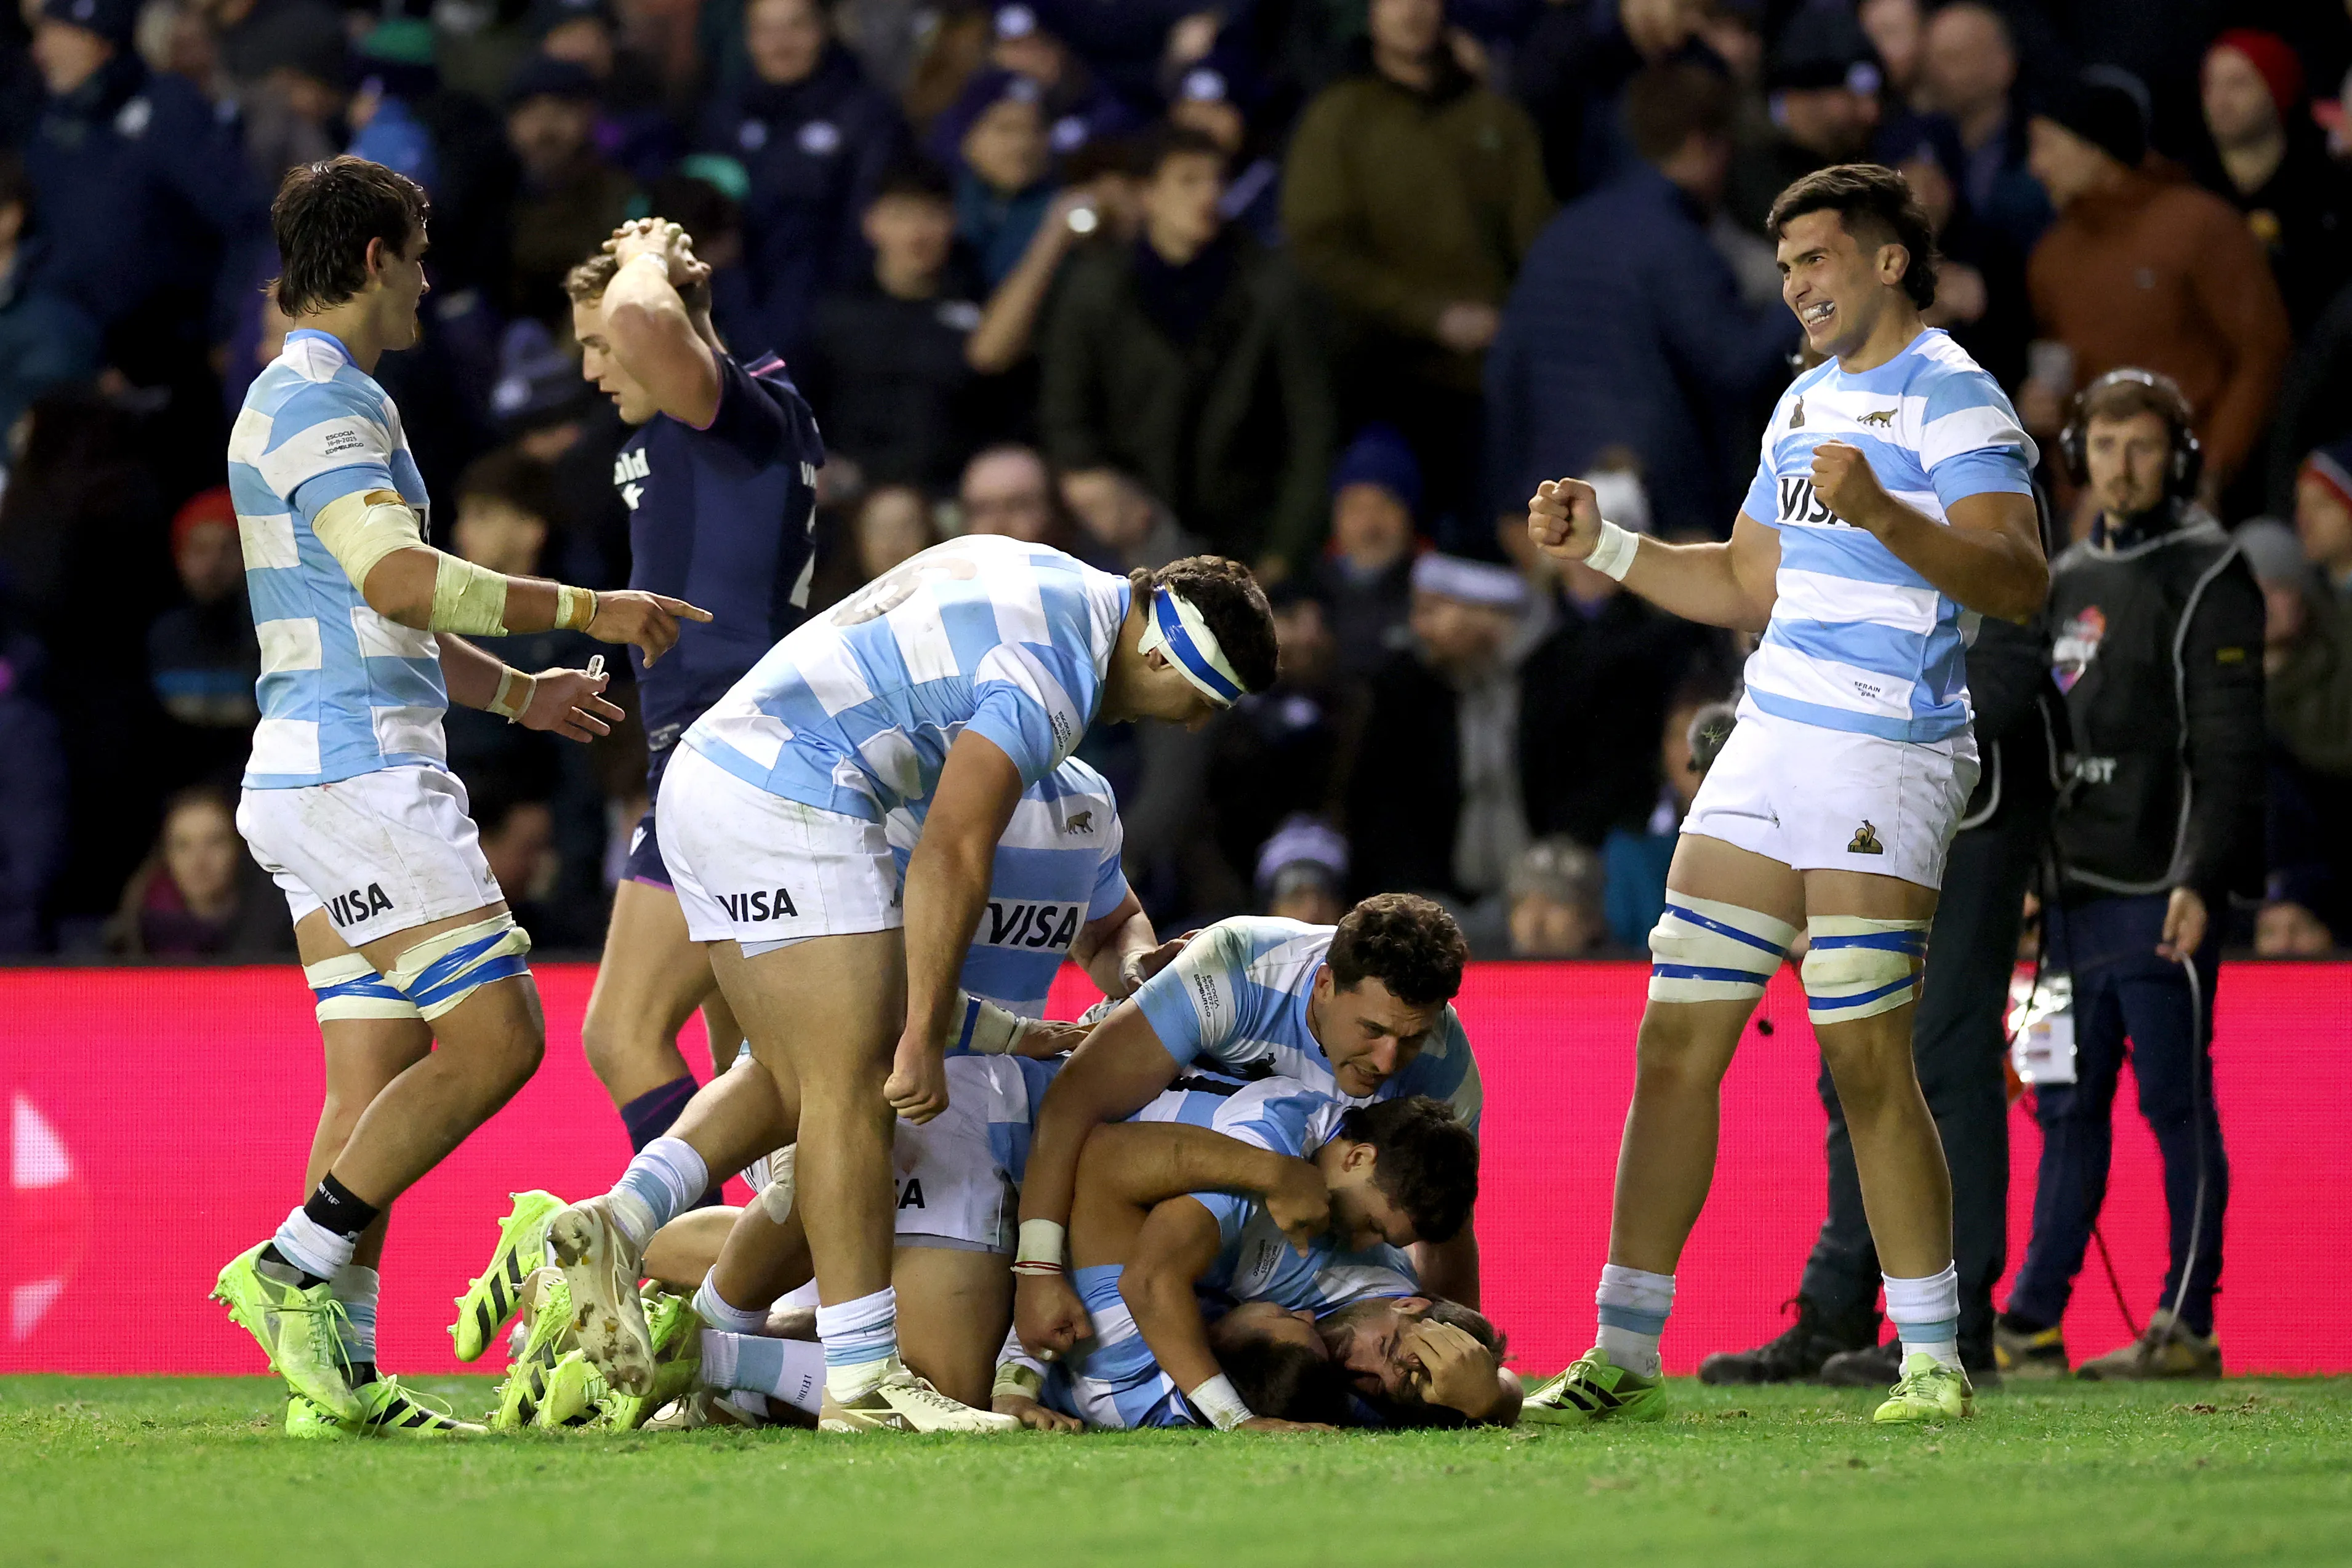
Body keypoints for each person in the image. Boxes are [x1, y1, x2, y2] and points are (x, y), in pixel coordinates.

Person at [1520, 162, 2046, 1428]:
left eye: (1815, 258)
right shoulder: (1801, 400)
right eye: (1784, 263)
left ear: (1884, 260)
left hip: (1886, 749)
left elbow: (2018, 577)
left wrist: (1887, 520)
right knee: (1671, 1039)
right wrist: (1600, 545)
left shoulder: (1953, 397)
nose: (1794, 283)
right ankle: (1621, 1350)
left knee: (1865, 1053)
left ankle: (1929, 1354)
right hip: (1766, 740)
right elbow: (1743, 585)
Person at [544, 536, 1276, 1433]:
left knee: (801, 1078)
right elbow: (954, 848)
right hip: (796, 788)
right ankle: (858, 1383)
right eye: (1200, 701)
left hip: (716, 776)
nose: (1193, 725)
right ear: (1162, 651)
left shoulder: (1043, 578)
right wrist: (925, 1033)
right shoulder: (1055, 676)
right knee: (854, 1087)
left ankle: (624, 1226)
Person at [207, 156, 699, 1439]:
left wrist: (518, 692)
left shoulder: (320, 395)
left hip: (318, 766)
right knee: (500, 1038)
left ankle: (340, 1376)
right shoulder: (321, 399)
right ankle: (290, 1267)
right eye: (420, 254)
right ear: (375, 257)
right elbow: (396, 581)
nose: (430, 281)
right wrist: (589, 610)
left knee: (370, 1068)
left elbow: (371, 605)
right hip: (354, 775)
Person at [1704, 514, 2061, 1388]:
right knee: (1851, 1055)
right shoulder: (1812, 461)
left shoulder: (1960, 455)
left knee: (1943, 1057)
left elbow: (2013, 667)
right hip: (1851, 809)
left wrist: (1859, 711)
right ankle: (1837, 1307)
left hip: (1966, 818)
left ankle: (1954, 1321)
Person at [1998, 369, 2262, 1382]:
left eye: (2142, 444)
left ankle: (2184, 1321)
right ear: (2079, 455)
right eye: (2103, 443)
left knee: (2173, 1106)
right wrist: (2028, 877)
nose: (2121, 464)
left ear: (2178, 456)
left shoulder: (2209, 570)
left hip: (2161, 891)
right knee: (2065, 1108)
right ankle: (2028, 1319)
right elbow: (2043, 749)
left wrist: (2201, 877)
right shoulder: (2063, 577)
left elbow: (2230, 751)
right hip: (2069, 897)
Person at [564, 218, 823, 1154]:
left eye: (599, 344)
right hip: (728, 751)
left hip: (728, 750)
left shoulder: (735, 407)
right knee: (750, 1074)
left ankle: (683, 1263)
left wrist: (646, 256)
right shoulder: (705, 424)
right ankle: (758, 1286)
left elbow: (643, 319)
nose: (595, 370)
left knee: (620, 1034)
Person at [1014, 892, 1485, 1366]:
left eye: (1411, 1039)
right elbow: (1074, 1105)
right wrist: (1036, 1269)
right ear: (1324, 984)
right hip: (1116, 1179)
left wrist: (1464, 1361)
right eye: (1371, 1029)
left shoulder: (1444, 1069)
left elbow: (1446, 1229)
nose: (1388, 1061)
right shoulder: (1237, 970)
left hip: (1243, 1248)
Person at [1019, 1082, 1498, 1432]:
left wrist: (1486, 1401)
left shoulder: (1123, 1352)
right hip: (1042, 1123)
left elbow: (1478, 1380)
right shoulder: (1277, 1144)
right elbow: (1102, 1158)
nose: (1355, 1371)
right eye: (1372, 1225)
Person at [1487, 60, 1796, 562]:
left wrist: (1506, 502)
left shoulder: (1559, 235)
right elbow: (1734, 365)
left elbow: (1505, 375)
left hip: (1550, 509)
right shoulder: (1675, 243)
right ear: (1702, 146)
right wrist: (1808, 295)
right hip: (1655, 512)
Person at [1282, 0, 1552, 546]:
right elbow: (1316, 248)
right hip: (1373, 377)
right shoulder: (1339, 117)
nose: (1412, 11)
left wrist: (1514, 325)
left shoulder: (1493, 117)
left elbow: (1538, 243)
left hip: (1485, 379)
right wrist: (1431, 315)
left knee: (1487, 542)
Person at [1040, 125, 1335, 577]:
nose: (1208, 195)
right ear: (1148, 195)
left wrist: (1284, 552)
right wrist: (1089, 474)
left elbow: (1310, 427)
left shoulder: (1272, 287)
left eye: (1217, 180)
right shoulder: (1098, 288)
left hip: (1246, 528)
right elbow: (1065, 408)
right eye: (1188, 180)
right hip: (1133, 530)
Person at [2020, 70, 2290, 508]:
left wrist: (2210, 468)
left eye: (2046, 144)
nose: (2035, 166)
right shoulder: (2050, 258)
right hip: (2093, 506)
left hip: (2193, 491)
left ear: (2094, 147)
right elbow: (2063, 379)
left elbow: (2261, 353)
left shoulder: (2199, 226)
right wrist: (2038, 409)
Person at [698, 0, 905, 361]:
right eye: (765, 31)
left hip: (833, 311)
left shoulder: (867, 115)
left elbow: (866, 227)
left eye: (796, 27)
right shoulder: (725, 115)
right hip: (734, 304)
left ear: (825, 29)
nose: (781, 44)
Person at [1348, 554, 1551, 906]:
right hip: (1438, 899)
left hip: (1547, 899)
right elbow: (1385, 812)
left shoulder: (1558, 680)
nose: (1418, 626)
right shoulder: (1408, 689)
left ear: (1485, 613)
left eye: (1432, 611)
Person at [805, 160, 985, 495]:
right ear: (871, 223)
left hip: (959, 492)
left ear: (954, 221)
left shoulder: (982, 304)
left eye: (932, 215)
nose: (917, 233)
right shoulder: (837, 312)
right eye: (901, 216)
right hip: (855, 490)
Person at [2190, 30, 2352, 336]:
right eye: (2210, 84)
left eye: (2239, 84)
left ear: (2278, 89)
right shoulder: (2188, 187)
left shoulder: (2328, 187)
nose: (2220, 100)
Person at [500, 54, 637, 324]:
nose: (545, 129)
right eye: (531, 113)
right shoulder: (492, 198)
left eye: (561, 111)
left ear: (591, 117)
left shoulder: (619, 196)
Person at [148, 488, 262, 784]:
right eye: (199, 550)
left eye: (227, 550)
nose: (212, 565)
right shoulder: (161, 640)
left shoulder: (269, 640)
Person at [102, 784, 292, 956]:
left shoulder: (284, 927)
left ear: (239, 849)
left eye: (215, 842)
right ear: (166, 856)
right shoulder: (135, 931)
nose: (199, 862)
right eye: (183, 846)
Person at [1312, 425, 1423, 682]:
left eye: (1384, 506)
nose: (1369, 527)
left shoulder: (1432, 600)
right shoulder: (1306, 596)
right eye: (1354, 508)